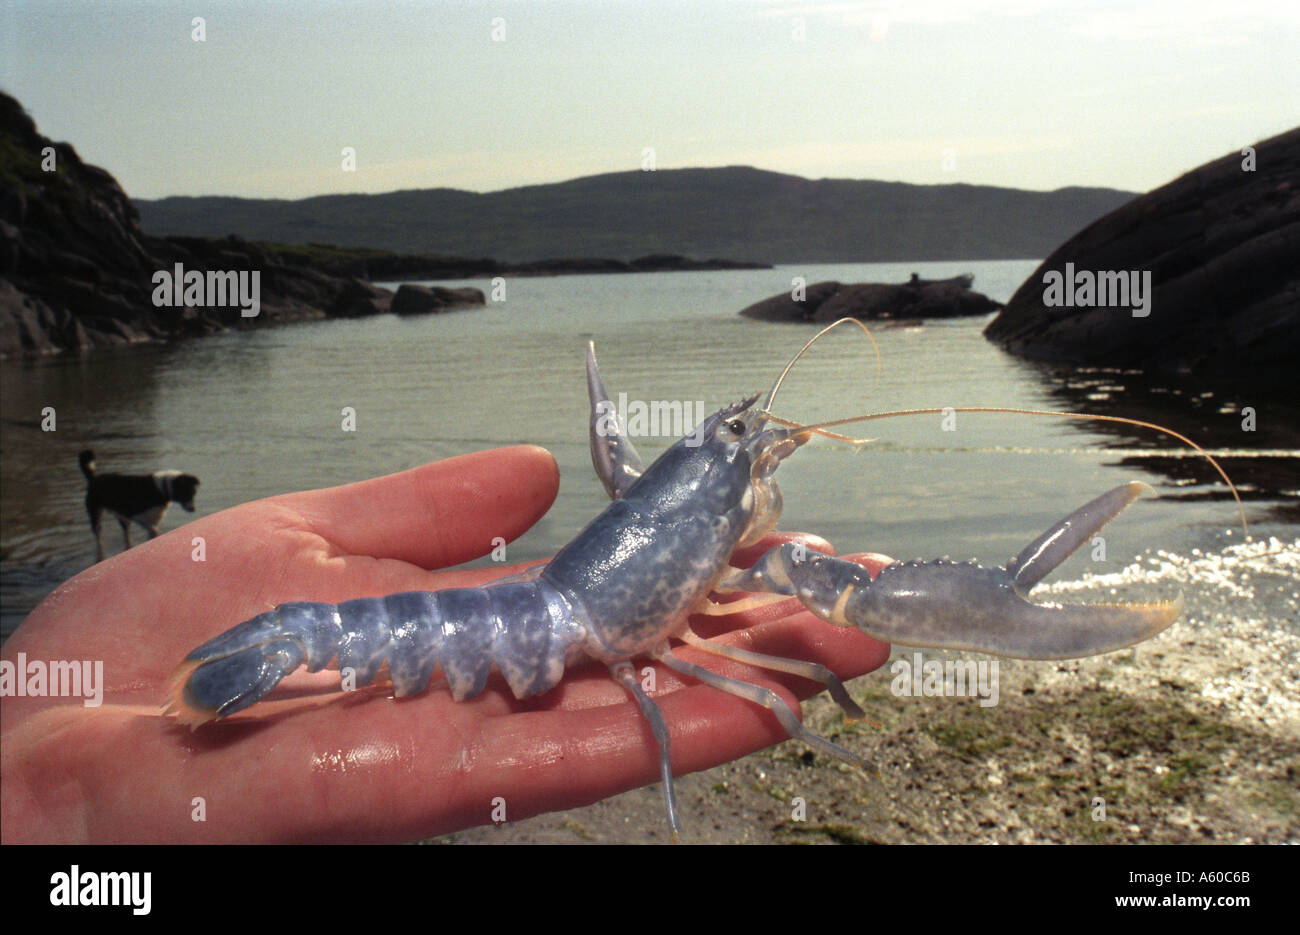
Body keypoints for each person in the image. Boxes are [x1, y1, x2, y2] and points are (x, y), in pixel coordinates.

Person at [0, 446, 889, 843]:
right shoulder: (727, 560)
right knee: (778, 677)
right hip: (517, 623)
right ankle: (271, 654)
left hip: (528, 613)